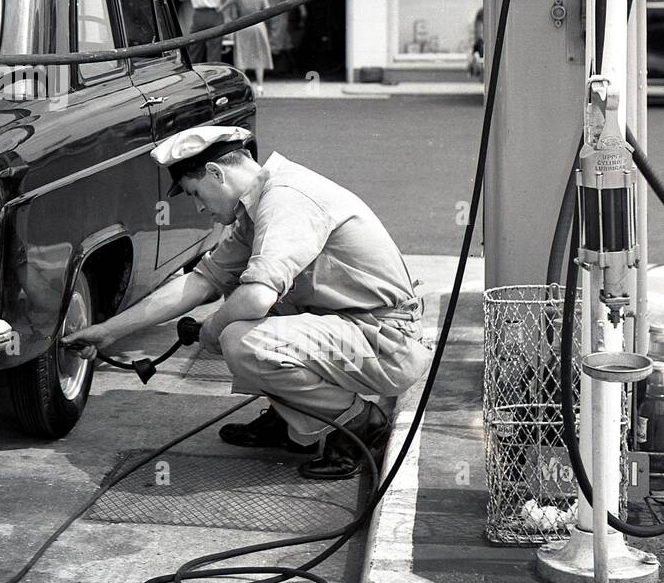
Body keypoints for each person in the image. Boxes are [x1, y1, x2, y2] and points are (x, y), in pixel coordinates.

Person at [65, 125, 430, 480]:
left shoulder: (286, 198)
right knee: (239, 297)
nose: (200, 207)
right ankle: (294, 419)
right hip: (353, 328)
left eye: (195, 193)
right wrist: (109, 331)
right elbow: (199, 283)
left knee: (241, 336)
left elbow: (256, 298)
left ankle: (359, 425)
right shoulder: (255, 208)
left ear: (215, 173)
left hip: (386, 341)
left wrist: (213, 327)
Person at [230, 0, 272, 95]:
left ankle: (243, 86)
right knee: (259, 56)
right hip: (258, 27)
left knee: (241, 57)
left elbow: (233, 15)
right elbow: (268, 12)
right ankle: (260, 86)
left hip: (242, 27)